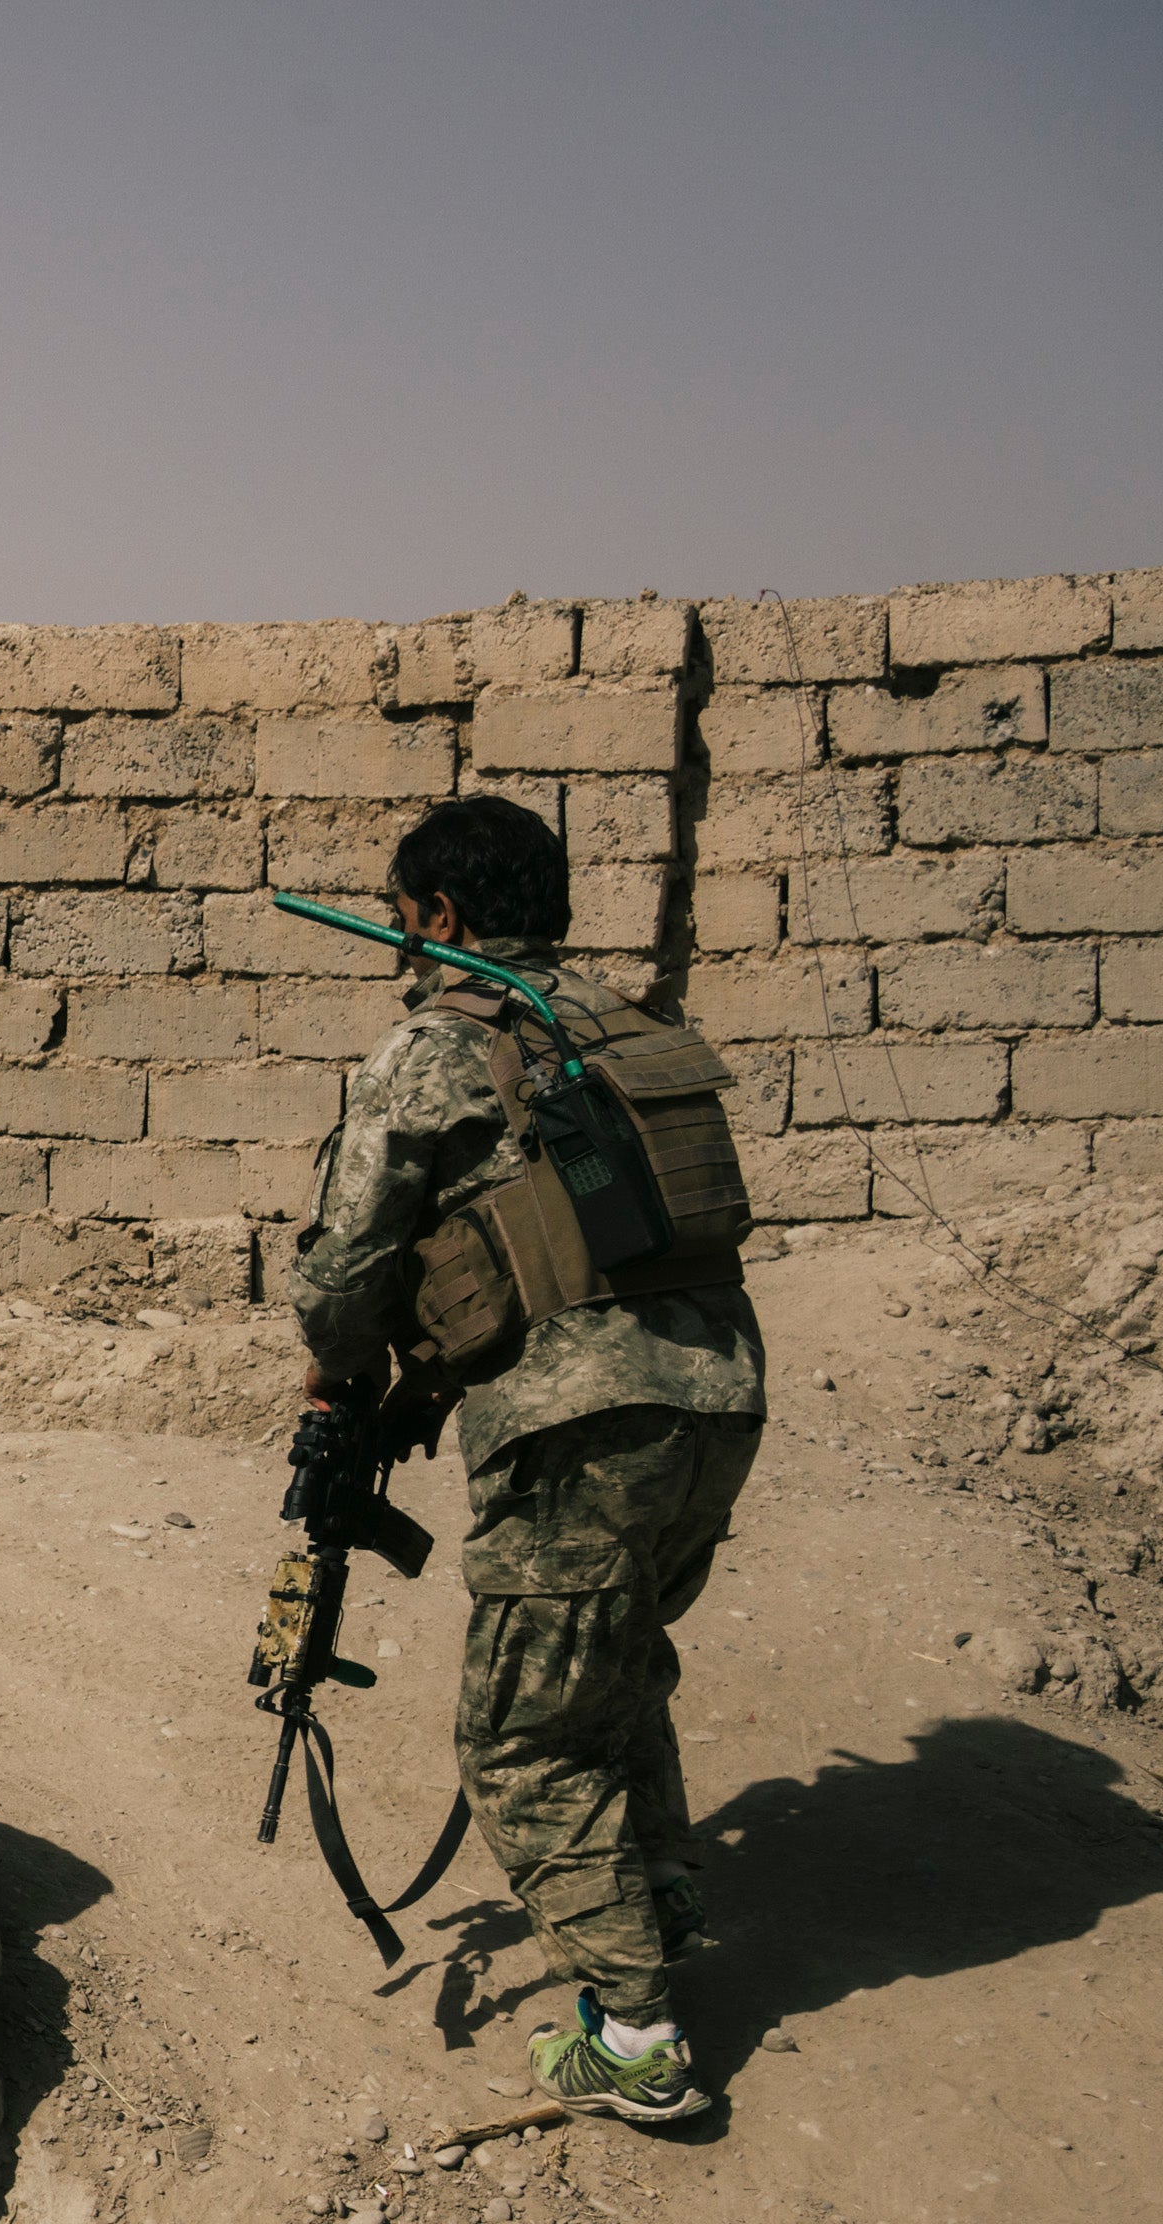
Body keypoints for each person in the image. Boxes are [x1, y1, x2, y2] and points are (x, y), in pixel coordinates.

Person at [291, 793, 764, 2128]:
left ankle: (635, 2034)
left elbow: (343, 1268)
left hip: (578, 1431)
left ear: (439, 916)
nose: (401, 947)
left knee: (519, 1744)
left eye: (404, 921)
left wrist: (342, 1367)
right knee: (609, 1667)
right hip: (716, 1399)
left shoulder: (434, 1047)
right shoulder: (628, 1025)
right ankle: (654, 1902)